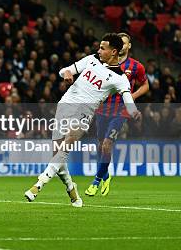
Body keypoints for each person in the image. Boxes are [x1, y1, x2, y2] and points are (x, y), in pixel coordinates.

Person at [24, 33, 141, 207]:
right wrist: (67, 74)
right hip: (64, 106)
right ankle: (73, 191)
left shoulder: (120, 79)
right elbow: (65, 70)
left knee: (65, 148)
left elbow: (128, 100)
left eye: (103, 48)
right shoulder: (91, 60)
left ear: (114, 51)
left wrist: (133, 111)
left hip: (84, 114)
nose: (98, 50)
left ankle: (38, 185)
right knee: (58, 156)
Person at [85, 33, 149, 196]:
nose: (121, 45)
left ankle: (96, 182)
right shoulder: (103, 63)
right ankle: (105, 175)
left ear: (128, 46)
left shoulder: (136, 67)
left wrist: (132, 96)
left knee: (107, 144)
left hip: (120, 112)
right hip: (101, 110)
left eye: (124, 43)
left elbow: (145, 85)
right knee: (100, 145)